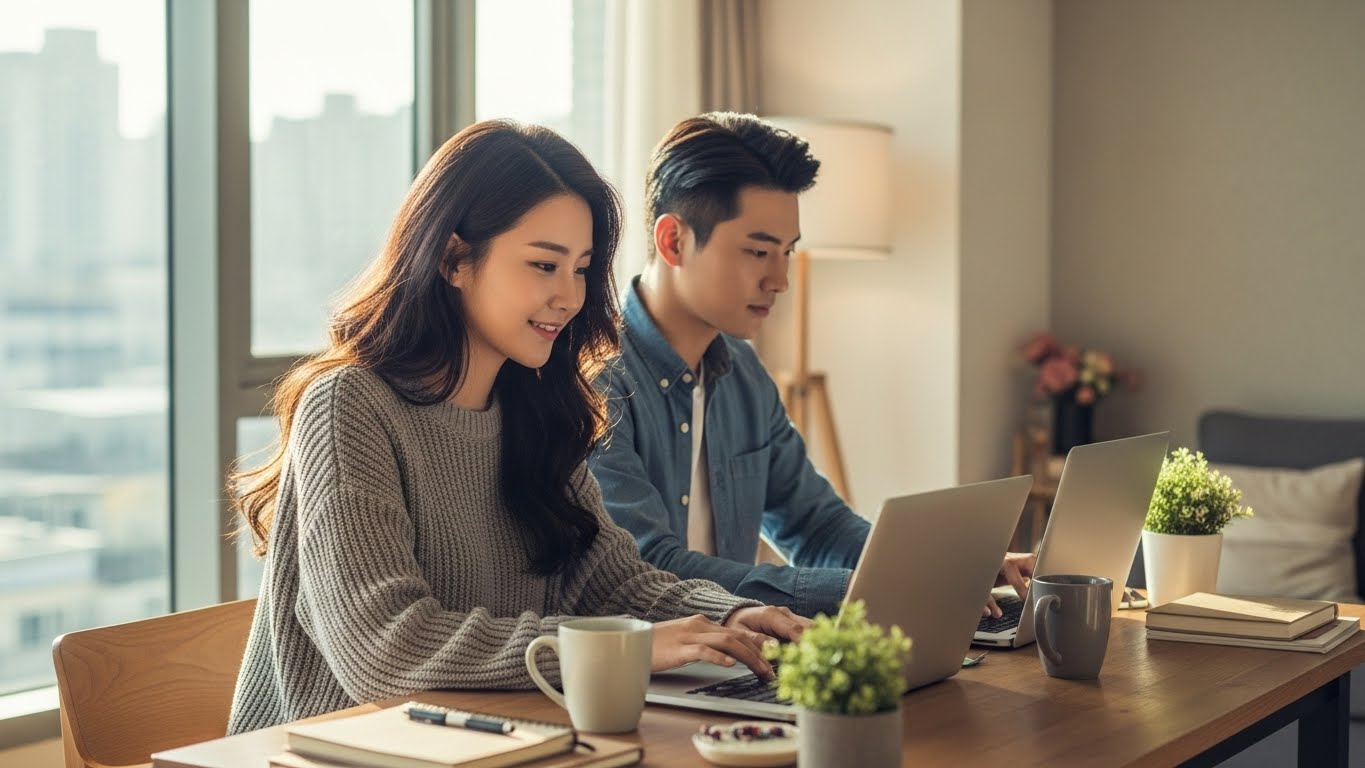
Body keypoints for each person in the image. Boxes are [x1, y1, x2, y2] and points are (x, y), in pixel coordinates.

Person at [226, 120, 806, 735]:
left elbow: (611, 583)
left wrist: (733, 615)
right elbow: (384, 650)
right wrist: (623, 647)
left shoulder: (533, 409)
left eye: (581, 269)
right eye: (543, 265)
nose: (570, 295)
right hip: (328, 751)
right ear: (454, 257)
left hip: (482, 741)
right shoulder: (348, 406)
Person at [588, 112, 1033, 620]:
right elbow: (651, 569)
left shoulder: (743, 372)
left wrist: (943, 566)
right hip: (645, 676)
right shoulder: (597, 384)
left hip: (737, 659)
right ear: (673, 242)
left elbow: (816, 526)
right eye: (758, 251)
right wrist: (875, 589)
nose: (780, 279)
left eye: (788, 252)